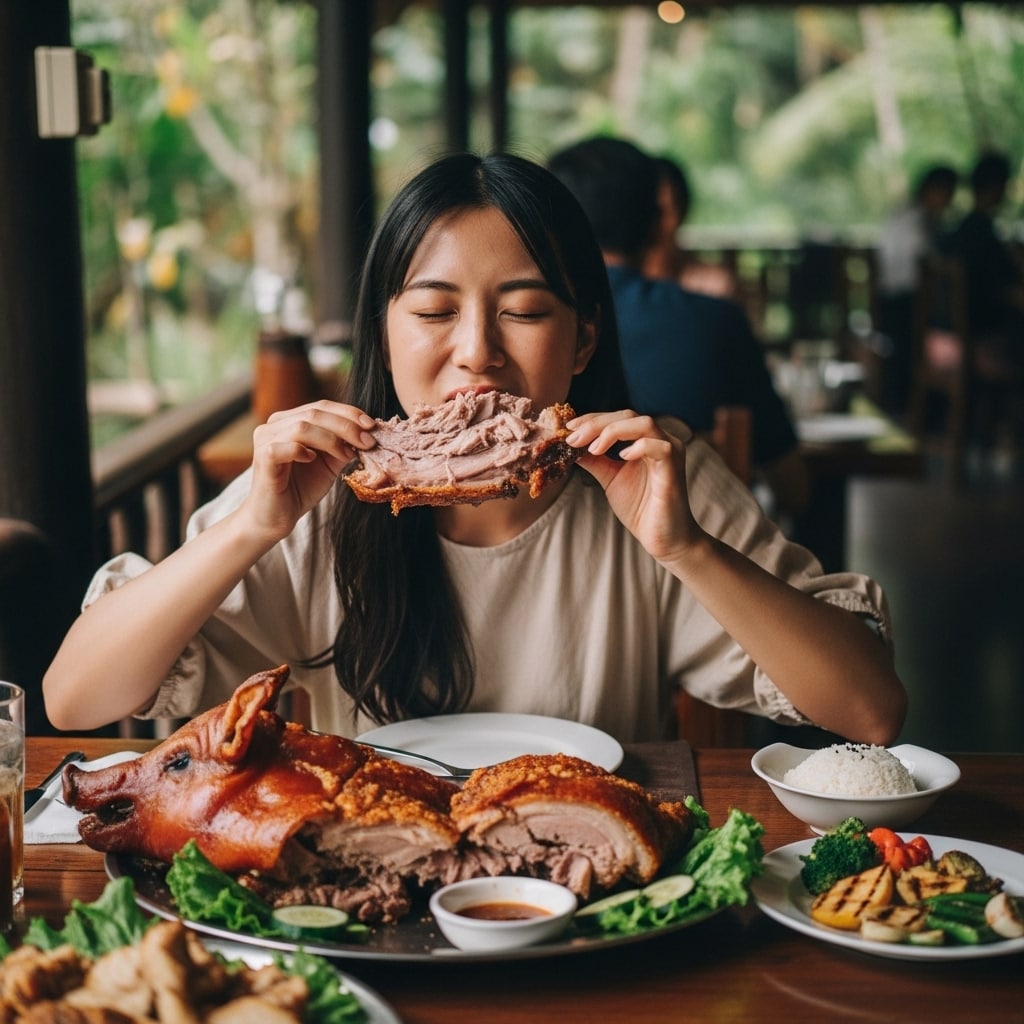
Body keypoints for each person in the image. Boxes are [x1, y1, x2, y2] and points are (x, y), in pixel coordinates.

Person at [42, 152, 906, 747]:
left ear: (582, 343)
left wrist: (685, 548)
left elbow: (870, 712)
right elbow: (74, 700)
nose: (477, 352)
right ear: (383, 332)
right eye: (432, 311)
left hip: (590, 909)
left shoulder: (658, 481)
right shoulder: (317, 493)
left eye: (525, 311)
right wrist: (246, 531)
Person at [548, 135, 810, 520]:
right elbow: (793, 485)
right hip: (700, 546)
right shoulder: (718, 321)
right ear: (658, 222)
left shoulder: (541, 330)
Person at [876, 163, 959, 413]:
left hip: (891, 303)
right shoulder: (917, 223)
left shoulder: (902, 216)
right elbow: (928, 269)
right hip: (906, 306)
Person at [942, 151, 1024, 365]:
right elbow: (1007, 291)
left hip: (951, 326)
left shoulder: (958, 231)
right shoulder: (984, 236)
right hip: (978, 332)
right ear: (998, 187)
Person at [643, 155, 739, 301]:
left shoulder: (711, 286)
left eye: (666, 210)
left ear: (682, 212)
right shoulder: (614, 288)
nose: (657, 222)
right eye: (651, 210)